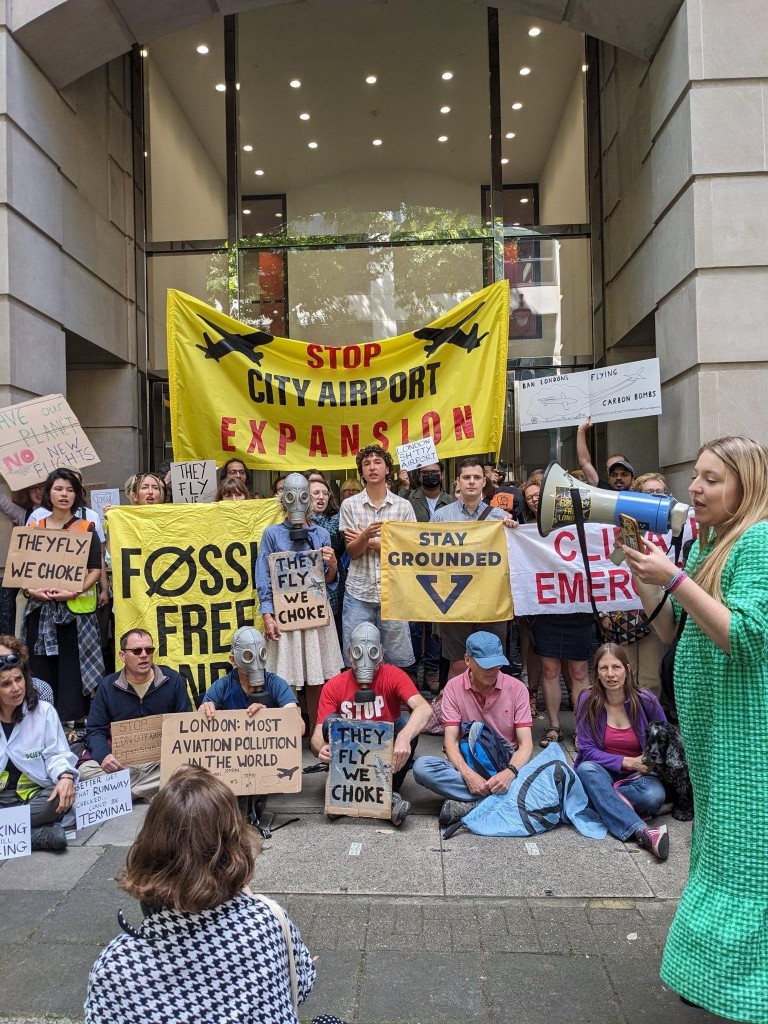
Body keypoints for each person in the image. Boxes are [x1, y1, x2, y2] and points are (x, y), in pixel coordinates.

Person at [622, 435, 768, 1021]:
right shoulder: (713, 544)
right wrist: (643, 575)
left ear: (745, 486)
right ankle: (714, 975)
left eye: (711, 478)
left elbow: (747, 635)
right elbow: (671, 631)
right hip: (713, 740)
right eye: (696, 476)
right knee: (717, 854)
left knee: (744, 859)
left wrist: (674, 577)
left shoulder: (758, 541)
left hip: (746, 737)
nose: (695, 487)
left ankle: (744, 988)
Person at [84, 764, 318, 1024]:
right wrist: (251, 904)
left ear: (149, 845)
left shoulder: (118, 968)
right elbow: (303, 982)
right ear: (236, 843)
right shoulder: (270, 921)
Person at [311, 622, 431, 826]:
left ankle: (384, 793)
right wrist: (320, 749)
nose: (365, 660)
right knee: (330, 722)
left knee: (404, 723)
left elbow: (424, 709)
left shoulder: (393, 675)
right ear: (350, 654)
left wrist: (403, 736)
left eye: (372, 652)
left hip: (385, 761)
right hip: (351, 762)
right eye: (358, 652)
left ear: (381, 655)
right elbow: (316, 735)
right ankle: (353, 796)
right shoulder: (334, 686)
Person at [412, 631, 533, 825]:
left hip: (505, 762)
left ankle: (475, 800)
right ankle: (494, 800)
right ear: (468, 660)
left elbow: (526, 745)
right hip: (468, 760)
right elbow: (450, 741)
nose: (493, 670)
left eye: (497, 664)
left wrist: (510, 772)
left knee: (539, 769)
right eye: (486, 665)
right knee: (422, 767)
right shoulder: (453, 687)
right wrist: (468, 775)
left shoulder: (517, 688)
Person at [256, 473, 343, 733]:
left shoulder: (321, 534)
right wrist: (268, 614)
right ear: (283, 499)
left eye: (303, 495)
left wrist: (334, 564)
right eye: (291, 496)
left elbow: (329, 580)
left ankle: (318, 733)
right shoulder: (271, 534)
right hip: (287, 612)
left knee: (317, 675)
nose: (298, 502)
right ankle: (282, 736)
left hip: (315, 612)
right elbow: (264, 575)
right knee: (283, 676)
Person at [22, 469, 104, 727]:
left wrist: (75, 590)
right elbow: (23, 569)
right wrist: (31, 590)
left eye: (70, 490)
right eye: (58, 489)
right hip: (41, 611)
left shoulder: (85, 527)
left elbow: (95, 568)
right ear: (48, 493)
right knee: (41, 667)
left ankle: (73, 722)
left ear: (77, 495)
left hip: (74, 614)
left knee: (72, 669)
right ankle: (41, 719)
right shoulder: (35, 527)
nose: (64, 495)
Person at [574, 643, 669, 860]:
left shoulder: (645, 699)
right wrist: (627, 762)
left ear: (627, 669)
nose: (610, 675)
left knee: (654, 795)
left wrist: (649, 761)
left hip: (640, 775)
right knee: (587, 770)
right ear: (596, 673)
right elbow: (587, 750)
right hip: (602, 771)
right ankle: (643, 831)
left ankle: (601, 802)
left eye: (616, 667)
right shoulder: (588, 700)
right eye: (603, 668)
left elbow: (664, 737)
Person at [78, 628, 191, 799]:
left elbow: (185, 725)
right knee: (84, 772)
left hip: (158, 762)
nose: (144, 655)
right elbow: (94, 730)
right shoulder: (108, 686)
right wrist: (104, 756)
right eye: (137, 651)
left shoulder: (173, 680)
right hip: (120, 763)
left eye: (149, 650)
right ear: (122, 656)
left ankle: (125, 793)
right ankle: (145, 790)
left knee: (187, 767)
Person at [432, 458, 516, 679]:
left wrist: (513, 532)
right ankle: (454, 713)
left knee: (490, 664)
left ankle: (489, 713)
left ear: (484, 482)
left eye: (476, 477)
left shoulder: (500, 517)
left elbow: (512, 558)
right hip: (454, 599)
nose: (471, 482)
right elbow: (432, 555)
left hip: (491, 601)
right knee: (459, 664)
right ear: (458, 481)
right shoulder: (441, 517)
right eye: (466, 477)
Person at [339, 444, 416, 668]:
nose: (372, 467)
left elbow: (406, 553)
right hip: (358, 593)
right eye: (366, 463)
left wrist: (368, 540)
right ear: (361, 472)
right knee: (357, 659)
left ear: (387, 469)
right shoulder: (349, 505)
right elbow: (353, 552)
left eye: (377, 462)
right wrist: (365, 539)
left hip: (393, 594)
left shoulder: (403, 507)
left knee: (396, 661)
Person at [0, 653, 77, 850]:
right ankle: (36, 836)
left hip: (35, 799)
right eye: (6, 684)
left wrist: (65, 777)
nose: (16, 688)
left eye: (19, 679)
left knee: (61, 795)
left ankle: (11, 830)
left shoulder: (43, 711)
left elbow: (57, 754)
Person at [405, 462, 452, 693]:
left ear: (441, 474)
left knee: (435, 624)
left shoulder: (452, 502)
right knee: (413, 625)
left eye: (434, 472)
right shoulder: (407, 500)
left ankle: (432, 671)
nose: (430, 476)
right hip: (414, 570)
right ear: (418, 476)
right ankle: (412, 671)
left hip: (443, 571)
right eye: (425, 473)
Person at [200, 626, 302, 725]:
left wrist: (269, 718)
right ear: (233, 659)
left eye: (260, 654)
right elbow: (199, 726)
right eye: (248, 656)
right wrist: (204, 712)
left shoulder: (277, 685)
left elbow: (299, 726)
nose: (255, 662)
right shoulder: (222, 687)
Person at [576, 417, 635, 490]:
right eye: (614, 474)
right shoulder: (605, 490)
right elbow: (585, 462)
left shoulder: (640, 492)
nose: (618, 478)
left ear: (632, 477)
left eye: (624, 474)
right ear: (608, 477)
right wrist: (581, 431)